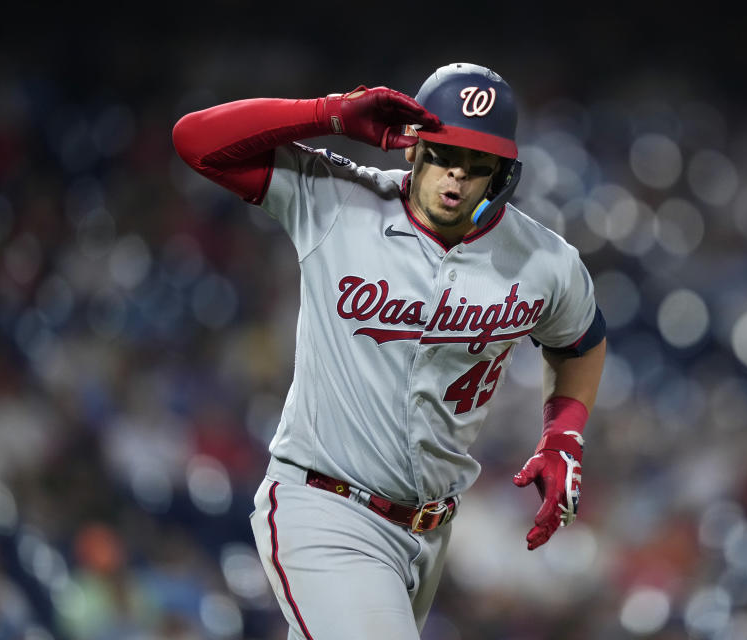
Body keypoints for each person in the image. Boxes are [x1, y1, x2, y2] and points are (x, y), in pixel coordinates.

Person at [172, 62, 606, 640]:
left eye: (478, 165)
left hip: (429, 534)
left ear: (504, 171)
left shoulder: (544, 262)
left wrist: (564, 435)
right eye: (444, 155)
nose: (457, 176)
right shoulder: (337, 200)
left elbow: (580, 341)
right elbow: (196, 141)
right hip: (325, 506)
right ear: (411, 147)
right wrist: (327, 113)